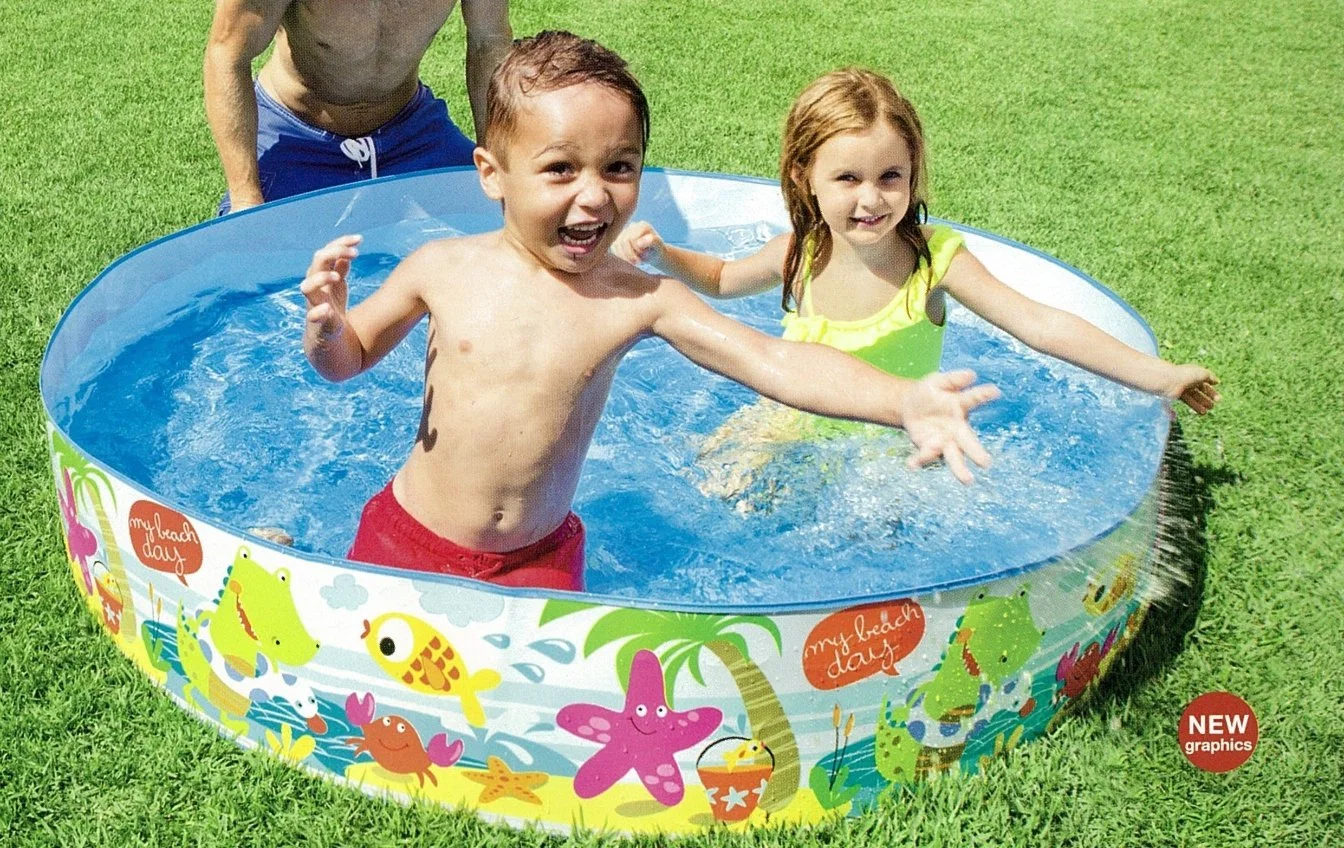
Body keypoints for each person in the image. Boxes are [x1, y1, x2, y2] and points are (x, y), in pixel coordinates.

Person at [300, 33, 1001, 591]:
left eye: (620, 167)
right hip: (409, 534)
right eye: (560, 169)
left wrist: (900, 399)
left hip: (538, 558)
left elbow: (773, 361)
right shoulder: (441, 268)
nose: (594, 195)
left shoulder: (637, 298)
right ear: (492, 173)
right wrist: (331, 329)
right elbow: (346, 363)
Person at [613, 68, 1220, 495]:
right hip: (790, 419)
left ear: (912, 174)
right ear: (805, 179)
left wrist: (1160, 376)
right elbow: (720, 278)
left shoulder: (934, 261)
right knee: (707, 483)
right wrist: (664, 254)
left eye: (891, 176)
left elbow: (1039, 325)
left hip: (894, 438)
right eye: (847, 178)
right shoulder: (797, 254)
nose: (871, 199)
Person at [205, 0, 512, 215]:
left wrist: (497, 161)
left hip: (413, 134)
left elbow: (489, 41)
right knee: (253, 270)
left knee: (508, 225)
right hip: (297, 138)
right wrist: (246, 197)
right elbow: (228, 54)